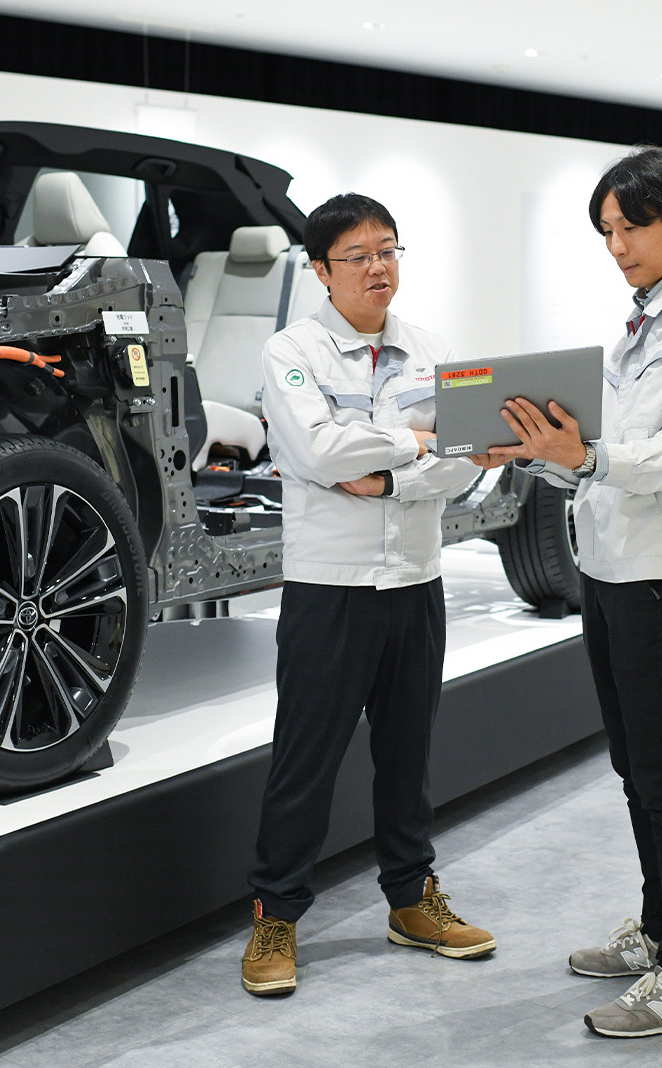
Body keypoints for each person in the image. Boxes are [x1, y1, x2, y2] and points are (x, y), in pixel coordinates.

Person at [473, 148, 662, 1036]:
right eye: (606, 231)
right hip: (606, 562)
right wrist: (544, 452)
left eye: (630, 227)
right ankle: (661, 928)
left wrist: (586, 457)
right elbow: (601, 453)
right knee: (636, 763)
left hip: (656, 571)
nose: (617, 245)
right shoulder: (643, 315)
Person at [241, 193, 494, 996]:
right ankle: (275, 916)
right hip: (332, 586)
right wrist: (420, 444)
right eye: (360, 255)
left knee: (408, 753)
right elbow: (315, 448)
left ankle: (412, 900)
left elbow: (467, 458)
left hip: (415, 581)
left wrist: (385, 472)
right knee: (304, 761)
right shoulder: (292, 350)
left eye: (389, 249)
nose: (380, 267)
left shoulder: (433, 348)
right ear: (320, 270)